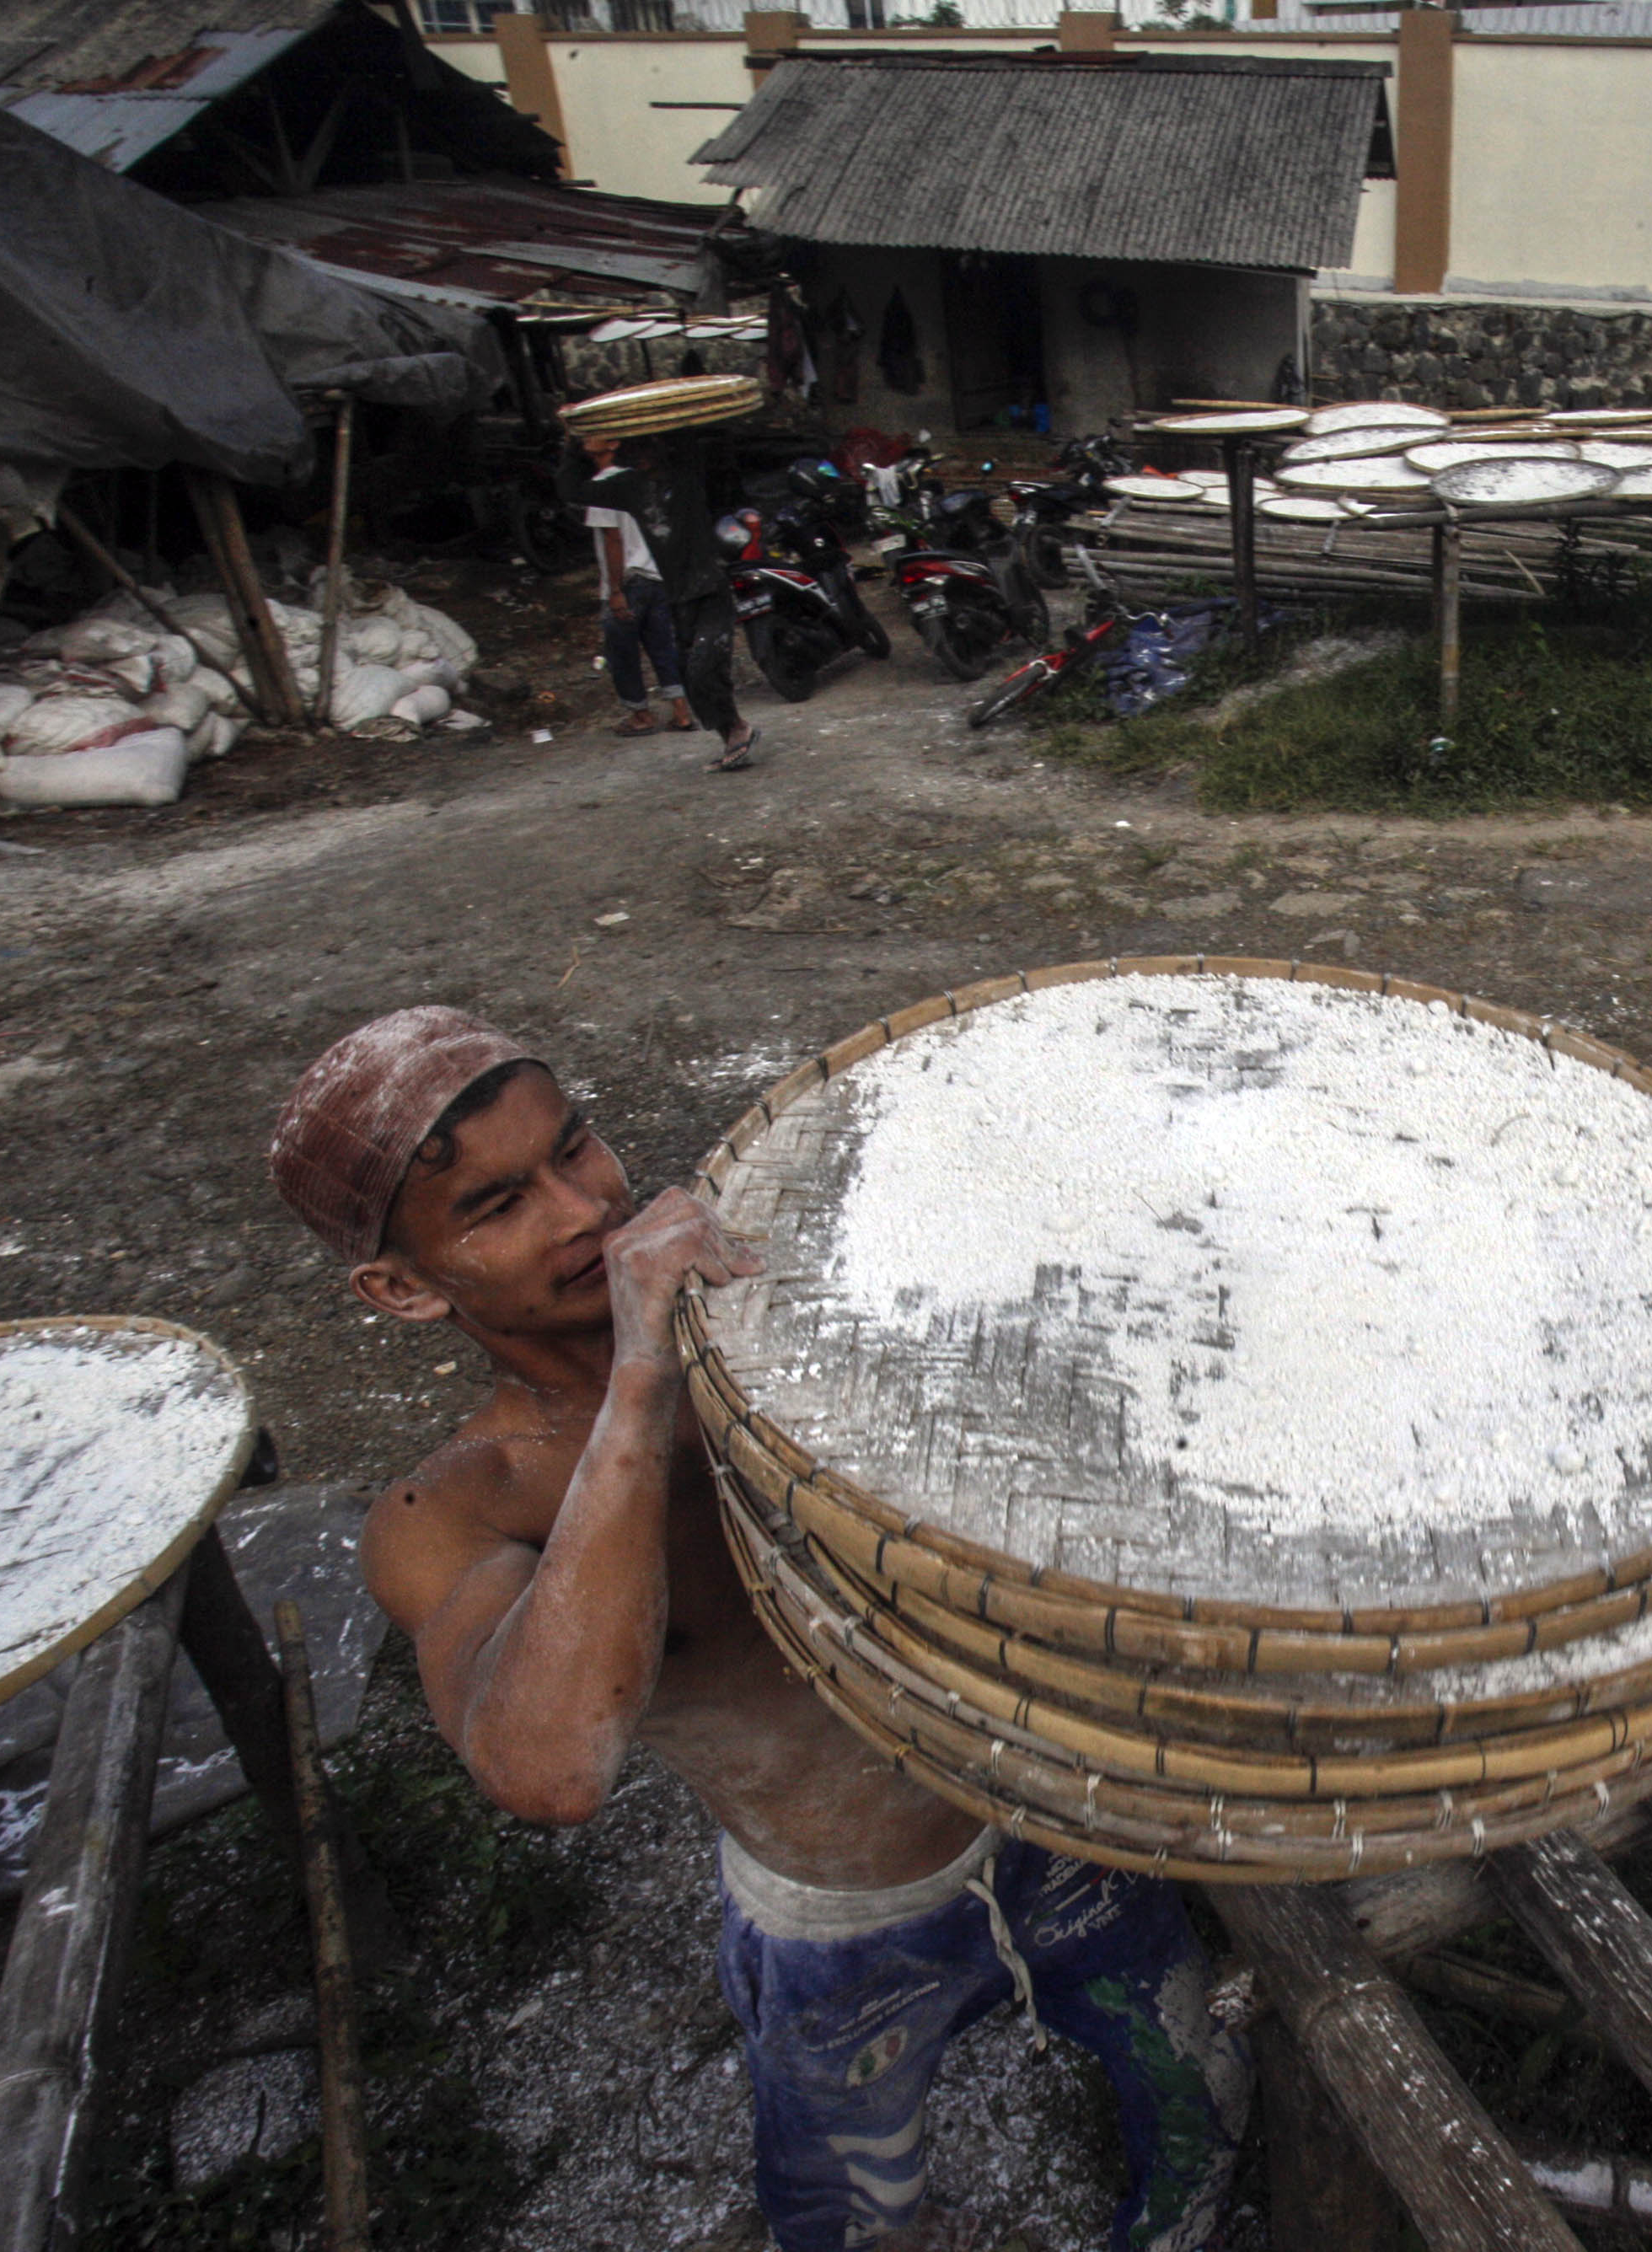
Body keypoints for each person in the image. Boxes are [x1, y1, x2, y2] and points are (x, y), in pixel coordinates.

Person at [267, 1009, 1248, 2251]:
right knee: (837, 2207)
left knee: (1192, 2086)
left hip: (1052, 1811)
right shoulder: (453, 1508)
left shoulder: (783, 1308)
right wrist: (639, 1379)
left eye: (577, 1149)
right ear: (402, 1289)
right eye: (499, 1205)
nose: (580, 1211)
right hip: (844, 1917)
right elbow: (549, 1766)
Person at [563, 426, 758, 772]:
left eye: (649, 445)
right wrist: (570, 447)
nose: (644, 454)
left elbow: (695, 444)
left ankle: (736, 728)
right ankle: (733, 730)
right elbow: (572, 490)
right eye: (638, 447)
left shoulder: (688, 475)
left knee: (704, 663)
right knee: (690, 671)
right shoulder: (628, 487)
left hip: (709, 586)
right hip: (677, 593)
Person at [588, 480, 695, 738]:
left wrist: (615, 590)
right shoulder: (642, 483)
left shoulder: (599, 488)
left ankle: (641, 715)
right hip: (654, 574)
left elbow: (613, 538)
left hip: (629, 579)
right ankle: (681, 712)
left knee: (622, 652)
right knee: (662, 647)